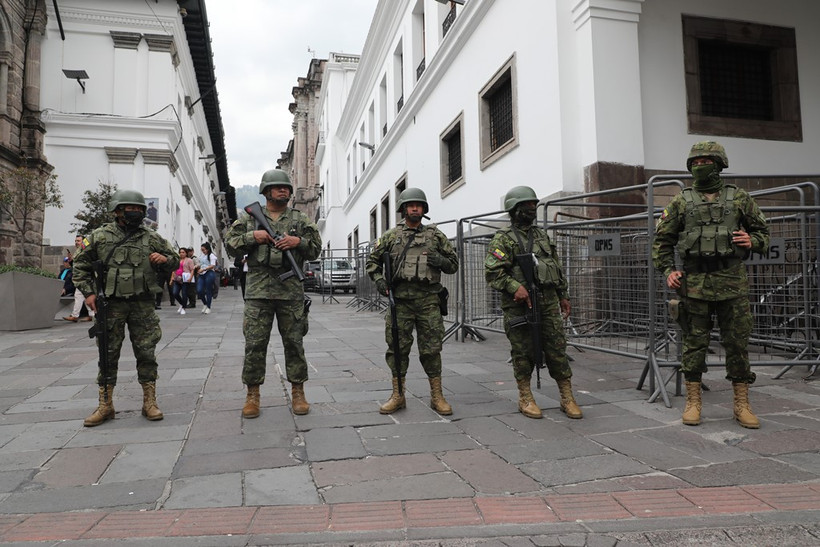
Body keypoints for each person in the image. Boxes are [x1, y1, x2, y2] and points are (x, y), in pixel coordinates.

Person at [652, 141, 769, 429]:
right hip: (694, 284)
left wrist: (752, 241)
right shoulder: (681, 201)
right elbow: (661, 242)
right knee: (694, 344)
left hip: (732, 283)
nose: (700, 165)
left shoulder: (740, 198)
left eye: (706, 160)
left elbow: (763, 234)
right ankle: (693, 402)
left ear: (719, 164)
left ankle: (741, 404)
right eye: (696, 161)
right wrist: (668, 270)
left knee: (738, 345)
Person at [72, 189, 179, 427]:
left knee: (146, 352)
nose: (138, 212)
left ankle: (149, 402)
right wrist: (89, 293)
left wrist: (164, 260)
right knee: (107, 354)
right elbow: (79, 265)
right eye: (132, 208)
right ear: (118, 210)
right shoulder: (99, 236)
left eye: (141, 209)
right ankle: (105, 404)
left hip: (142, 304)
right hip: (111, 305)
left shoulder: (151, 237)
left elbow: (174, 258)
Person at [225, 169, 321, 417]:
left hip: (290, 291)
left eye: (287, 188)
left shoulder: (300, 219)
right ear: (266, 191)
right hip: (258, 291)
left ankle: (298, 392)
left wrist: (297, 242)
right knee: (255, 344)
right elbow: (230, 245)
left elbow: (316, 249)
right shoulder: (249, 219)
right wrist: (252, 236)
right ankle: (252, 394)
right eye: (278, 187)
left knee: (294, 343)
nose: (284, 191)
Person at [484, 186, 582, 420]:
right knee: (523, 351)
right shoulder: (503, 239)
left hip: (547, 302)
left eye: (533, 205)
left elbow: (556, 267)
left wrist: (563, 295)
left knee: (557, 348)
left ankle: (567, 396)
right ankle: (525, 396)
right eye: (526, 205)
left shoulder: (541, 236)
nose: (531, 209)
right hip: (519, 306)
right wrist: (513, 286)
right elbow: (492, 272)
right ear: (514, 209)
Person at [366, 188, 459, 416]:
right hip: (401, 303)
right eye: (410, 205)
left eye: (419, 205)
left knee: (431, 349)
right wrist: (379, 280)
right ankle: (398, 395)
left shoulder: (435, 236)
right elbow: (372, 261)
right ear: (403, 209)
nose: (415, 208)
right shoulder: (391, 237)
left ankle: (437, 395)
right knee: (397, 348)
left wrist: (438, 259)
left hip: (428, 301)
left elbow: (453, 264)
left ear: (424, 209)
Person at [63, 235, 93, 322]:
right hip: (82, 277)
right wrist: (72, 260)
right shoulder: (79, 252)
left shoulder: (85, 251)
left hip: (85, 277)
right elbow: (76, 266)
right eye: (75, 241)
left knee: (79, 295)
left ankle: (75, 315)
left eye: (78, 241)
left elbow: (84, 265)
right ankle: (91, 315)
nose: (76, 242)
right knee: (84, 295)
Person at [196, 242, 218, 314]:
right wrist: (197, 266)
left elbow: (212, 265)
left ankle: (208, 306)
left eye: (204, 250)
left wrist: (204, 269)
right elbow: (201, 263)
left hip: (209, 273)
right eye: (202, 250)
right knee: (199, 290)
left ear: (208, 249)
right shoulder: (202, 255)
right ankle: (205, 303)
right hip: (202, 273)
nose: (203, 251)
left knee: (208, 290)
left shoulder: (211, 255)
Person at [171, 248, 195, 314]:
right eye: (180, 252)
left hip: (185, 279)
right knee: (175, 293)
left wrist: (190, 277)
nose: (181, 254)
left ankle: (183, 308)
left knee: (184, 294)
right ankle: (182, 303)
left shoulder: (189, 260)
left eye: (183, 252)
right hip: (177, 279)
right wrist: (172, 277)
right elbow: (174, 269)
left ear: (186, 253)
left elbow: (192, 269)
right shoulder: (177, 260)